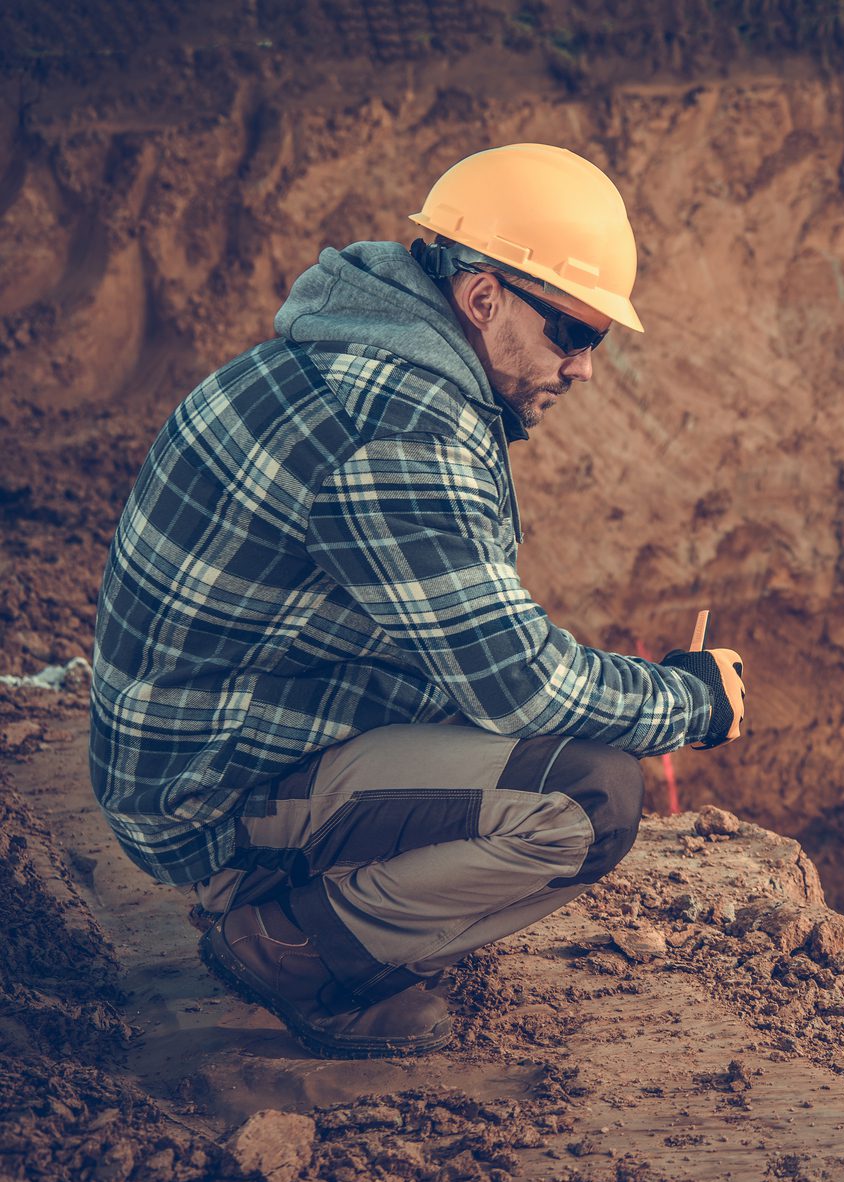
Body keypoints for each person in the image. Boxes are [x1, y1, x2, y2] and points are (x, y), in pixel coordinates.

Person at [89, 143, 745, 1059]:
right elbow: (523, 688)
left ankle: (328, 907)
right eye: (575, 334)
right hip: (206, 801)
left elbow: (474, 659)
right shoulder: (403, 437)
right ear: (482, 299)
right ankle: (290, 945)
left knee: (530, 737)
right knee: (590, 791)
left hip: (202, 749)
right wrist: (690, 700)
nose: (586, 368)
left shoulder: (344, 361)